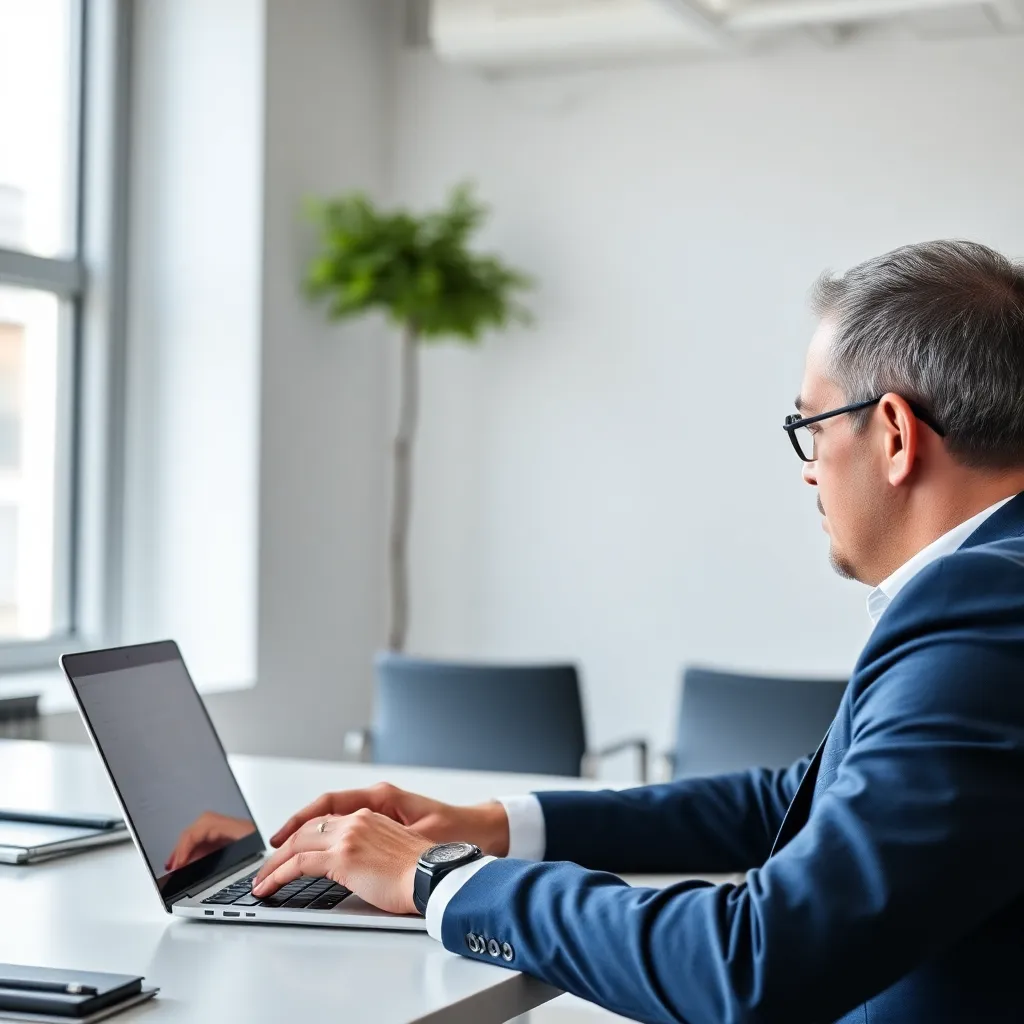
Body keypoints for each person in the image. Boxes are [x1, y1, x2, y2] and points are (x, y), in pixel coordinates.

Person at [253, 240, 1024, 1024]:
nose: (808, 466)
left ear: (893, 433)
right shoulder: (993, 589)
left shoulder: (987, 603)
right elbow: (794, 802)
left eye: (812, 424)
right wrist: (496, 827)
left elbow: (754, 960)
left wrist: (438, 877)